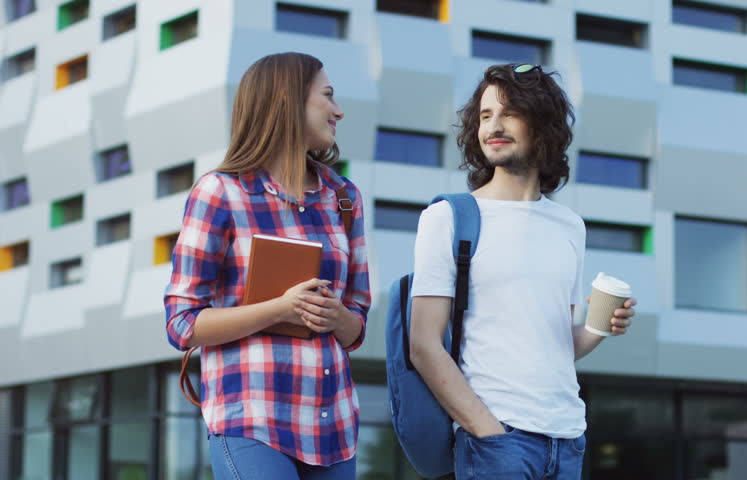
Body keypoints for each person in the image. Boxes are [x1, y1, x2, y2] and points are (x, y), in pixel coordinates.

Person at [409, 63, 637, 479]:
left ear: (543, 124)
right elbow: (424, 344)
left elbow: (555, 345)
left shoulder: (570, 226)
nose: (493, 125)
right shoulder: (449, 217)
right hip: (498, 441)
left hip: (567, 439)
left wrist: (601, 328)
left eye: (510, 112)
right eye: (484, 115)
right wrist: (487, 432)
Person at [163, 52, 370, 480]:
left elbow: (357, 325)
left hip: (333, 427)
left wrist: (337, 316)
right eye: (327, 97)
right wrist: (279, 308)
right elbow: (182, 324)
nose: (338, 111)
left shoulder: (344, 197)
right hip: (251, 418)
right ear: (287, 102)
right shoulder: (220, 193)